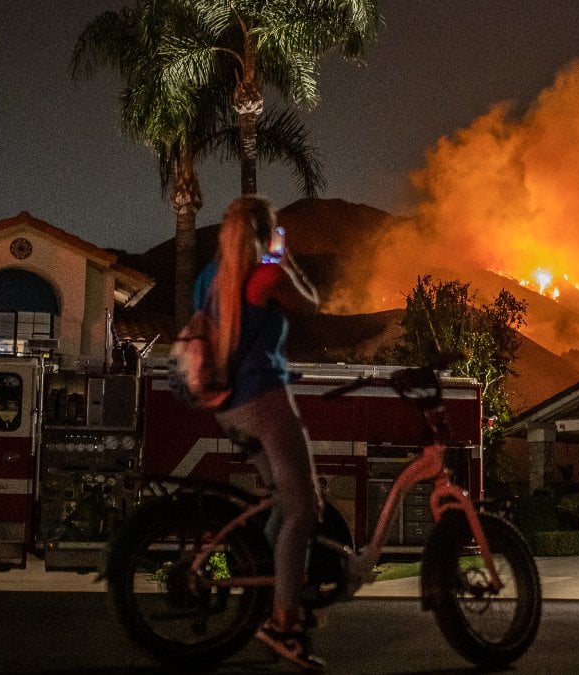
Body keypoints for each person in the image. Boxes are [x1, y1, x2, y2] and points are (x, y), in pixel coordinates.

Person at [194, 195, 325, 670]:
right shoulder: (264, 276)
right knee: (303, 509)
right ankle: (283, 623)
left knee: (279, 500)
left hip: (227, 408)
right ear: (262, 232)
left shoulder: (208, 279)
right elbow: (311, 304)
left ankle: (264, 587)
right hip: (266, 402)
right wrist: (282, 253)